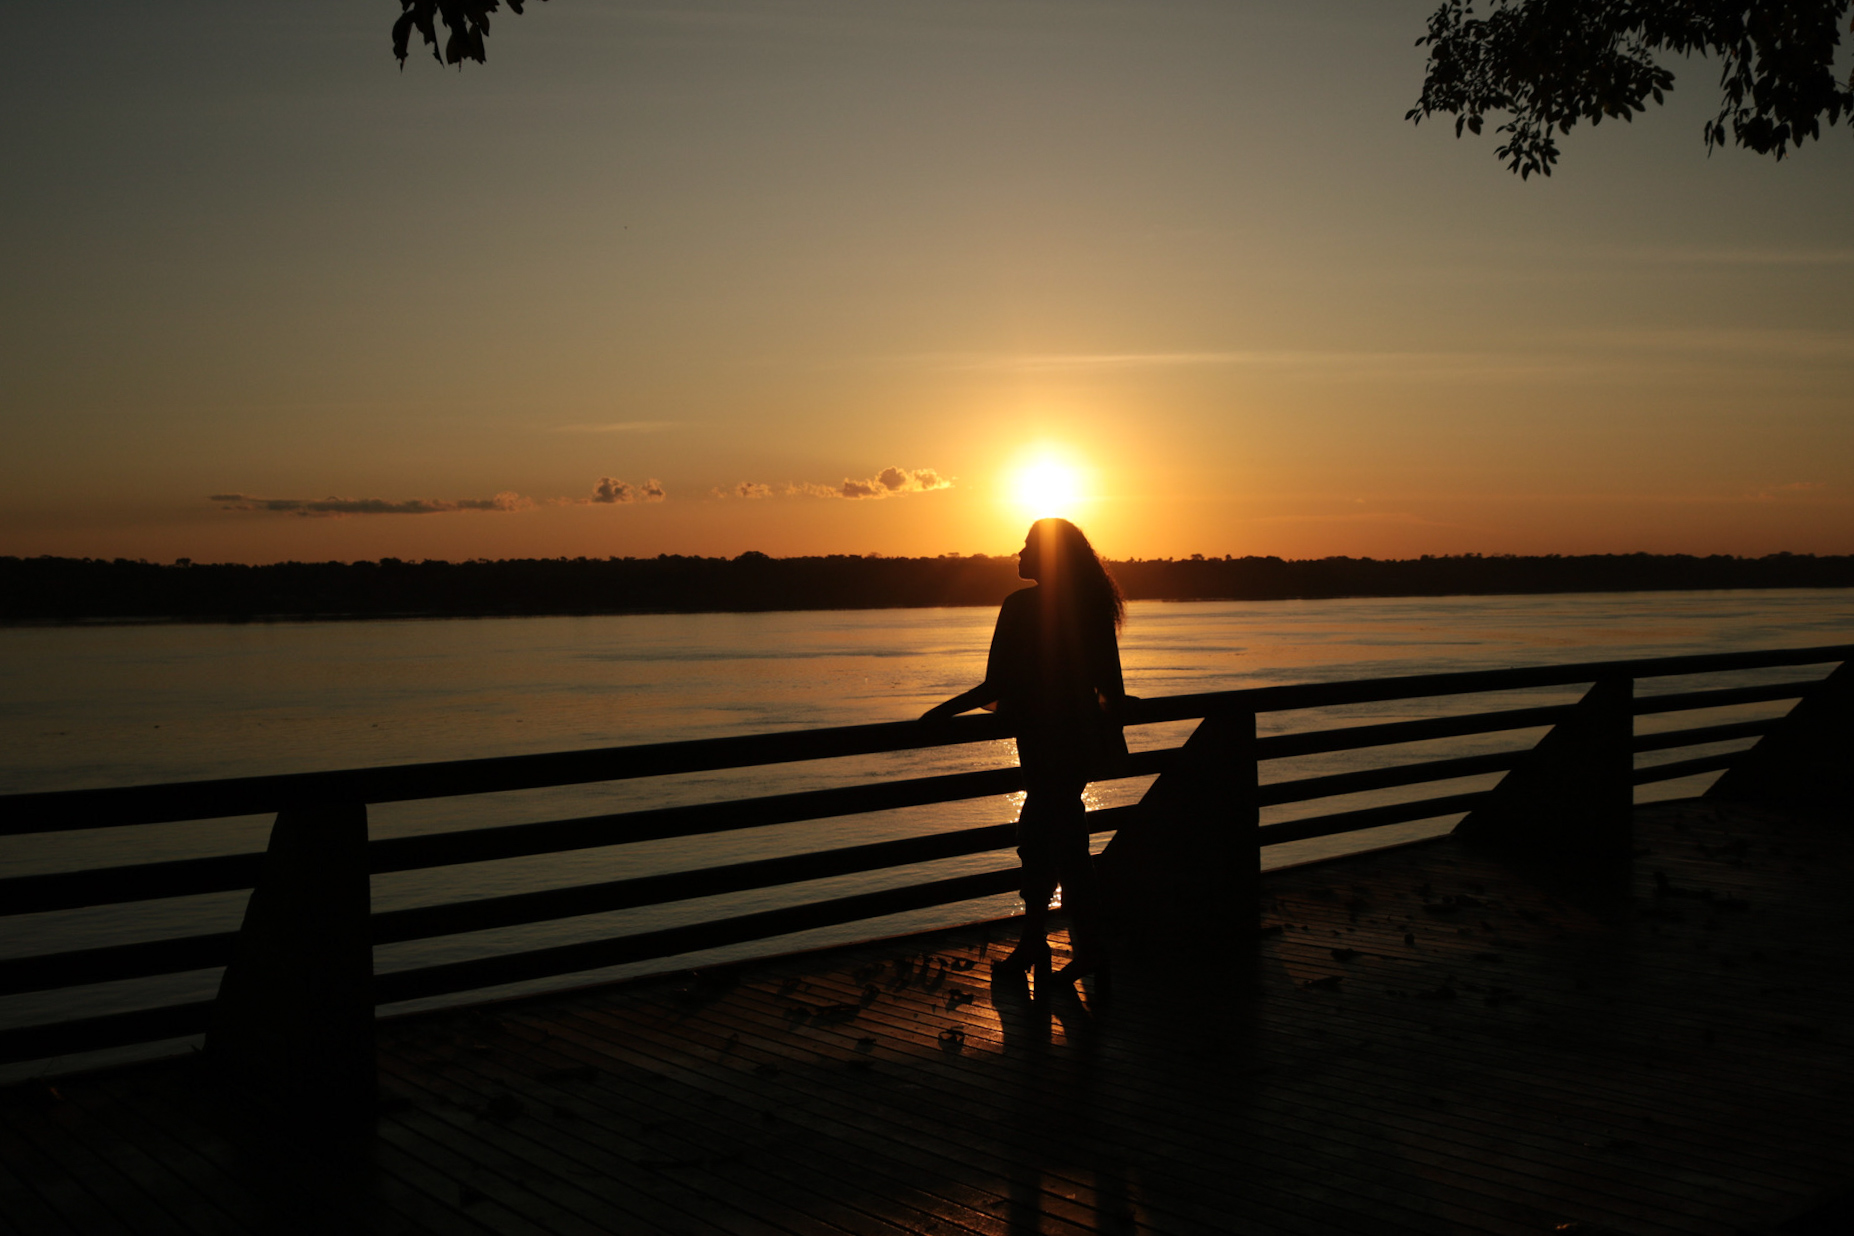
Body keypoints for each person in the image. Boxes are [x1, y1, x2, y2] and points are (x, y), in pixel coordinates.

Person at [921, 518, 1127, 990]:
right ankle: (1050, 944)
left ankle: (1066, 947)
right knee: (1052, 843)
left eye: (1029, 545)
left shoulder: (1020, 606)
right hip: (1074, 747)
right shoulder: (1092, 607)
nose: (1020, 552)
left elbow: (997, 686)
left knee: (1054, 846)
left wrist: (940, 712)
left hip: (1042, 744)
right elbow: (1110, 687)